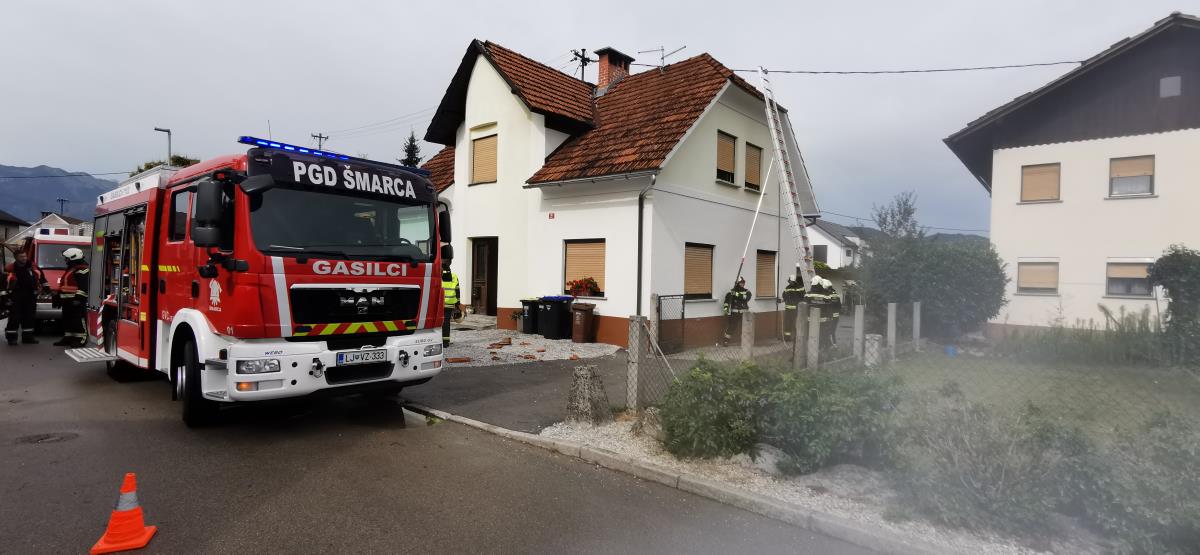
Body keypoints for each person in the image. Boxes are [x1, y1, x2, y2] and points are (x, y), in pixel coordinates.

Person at [3, 250, 44, 345]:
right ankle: (12, 339)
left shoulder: (32, 266)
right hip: (16, 296)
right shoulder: (10, 268)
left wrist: (46, 288)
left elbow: (42, 277)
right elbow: (4, 284)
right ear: (16, 258)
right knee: (14, 317)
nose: (24, 258)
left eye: (25, 256)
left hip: (30, 295)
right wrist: (5, 298)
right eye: (21, 257)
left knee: (29, 317)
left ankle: (28, 338)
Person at [53, 247, 90, 347]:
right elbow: (66, 284)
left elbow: (83, 286)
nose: (65, 260)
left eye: (67, 258)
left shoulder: (82, 269)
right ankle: (68, 337)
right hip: (67, 300)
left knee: (78, 320)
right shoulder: (72, 268)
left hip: (76, 300)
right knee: (67, 319)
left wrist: (78, 299)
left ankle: (81, 339)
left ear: (73, 257)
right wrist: (58, 297)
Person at [807, 276, 842, 350]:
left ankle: (827, 346)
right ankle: (831, 346)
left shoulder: (810, 294)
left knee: (824, 333)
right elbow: (838, 306)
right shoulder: (835, 295)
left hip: (818, 319)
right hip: (832, 317)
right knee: (830, 332)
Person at [721, 277, 752, 345]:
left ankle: (746, 342)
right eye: (741, 283)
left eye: (743, 283)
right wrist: (725, 309)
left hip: (744, 313)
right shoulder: (730, 293)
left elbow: (746, 298)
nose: (743, 284)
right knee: (731, 327)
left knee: (746, 327)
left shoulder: (747, 292)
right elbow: (726, 302)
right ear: (737, 283)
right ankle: (726, 341)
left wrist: (736, 294)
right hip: (735, 313)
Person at [781, 272, 806, 343]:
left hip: (791, 310)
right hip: (795, 310)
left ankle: (790, 338)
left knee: (791, 324)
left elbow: (784, 296)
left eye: (790, 281)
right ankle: (791, 338)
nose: (789, 282)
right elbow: (804, 297)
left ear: (791, 280)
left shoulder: (787, 288)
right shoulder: (800, 288)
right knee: (792, 324)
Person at [440, 263, 461, 348]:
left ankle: (438, 340)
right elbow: (457, 291)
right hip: (450, 303)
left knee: (438, 322)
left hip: (439, 303)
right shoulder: (454, 276)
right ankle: (445, 342)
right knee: (446, 322)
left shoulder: (438, 276)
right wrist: (458, 304)